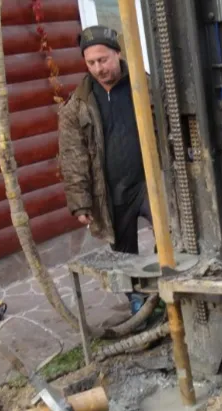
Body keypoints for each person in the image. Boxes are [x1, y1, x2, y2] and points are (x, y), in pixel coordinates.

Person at [59, 25, 154, 313]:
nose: (98, 68)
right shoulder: (77, 105)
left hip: (149, 184)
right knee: (123, 254)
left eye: (104, 60)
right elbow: (72, 155)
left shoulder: (145, 85)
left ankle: (164, 295)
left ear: (117, 54)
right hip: (111, 190)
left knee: (171, 234)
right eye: (91, 63)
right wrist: (80, 202)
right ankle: (139, 304)